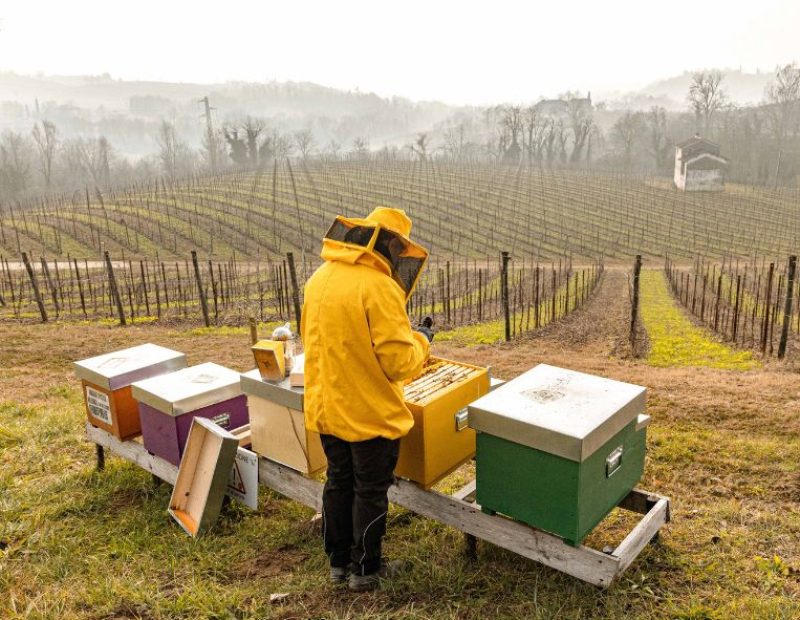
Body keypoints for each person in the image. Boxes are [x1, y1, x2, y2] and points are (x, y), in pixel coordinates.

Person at [301, 206, 432, 591]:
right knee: (370, 492)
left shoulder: (319, 279)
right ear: (390, 243)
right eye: (399, 249)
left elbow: (325, 343)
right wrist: (422, 340)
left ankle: (338, 564)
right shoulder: (379, 287)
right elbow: (398, 363)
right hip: (370, 415)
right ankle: (366, 570)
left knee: (338, 482)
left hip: (328, 408)